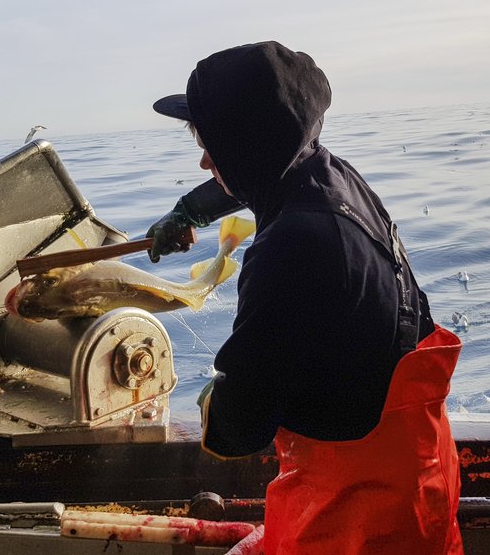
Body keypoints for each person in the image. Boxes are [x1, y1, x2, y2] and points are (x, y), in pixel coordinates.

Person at [147, 41, 463, 555]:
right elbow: (258, 175)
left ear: (245, 150)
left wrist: (212, 405)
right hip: (417, 475)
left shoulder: (290, 248)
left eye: (212, 146)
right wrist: (190, 210)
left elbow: (239, 424)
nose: (204, 161)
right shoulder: (329, 175)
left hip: (359, 518)